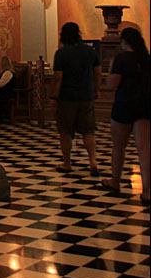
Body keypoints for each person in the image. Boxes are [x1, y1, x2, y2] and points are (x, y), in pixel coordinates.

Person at [102, 27, 150, 204]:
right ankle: (146, 190)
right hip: (144, 106)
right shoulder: (146, 59)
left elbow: (113, 83)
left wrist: (109, 74)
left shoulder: (121, 59)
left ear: (124, 42)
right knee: (144, 150)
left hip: (124, 105)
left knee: (118, 147)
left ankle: (115, 180)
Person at [50, 22, 101, 176]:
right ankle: (93, 161)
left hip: (67, 97)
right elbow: (97, 72)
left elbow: (58, 77)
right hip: (86, 96)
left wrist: (53, 96)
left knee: (65, 132)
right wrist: (96, 89)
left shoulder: (61, 53)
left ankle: (67, 162)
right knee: (88, 131)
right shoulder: (89, 51)